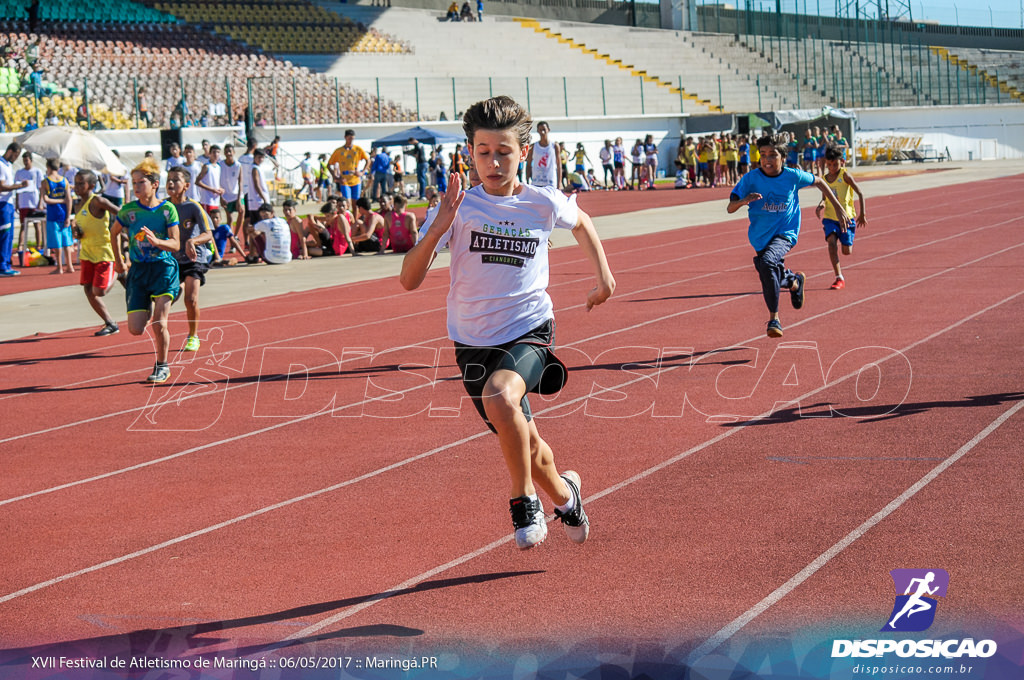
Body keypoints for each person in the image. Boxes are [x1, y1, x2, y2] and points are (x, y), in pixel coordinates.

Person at [399, 96, 615, 550]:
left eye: (504, 151)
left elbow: (582, 222)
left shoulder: (541, 202)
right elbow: (409, 280)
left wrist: (604, 279)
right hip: (471, 341)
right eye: (483, 152)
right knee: (530, 448)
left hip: (529, 330)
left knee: (500, 395)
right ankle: (567, 496)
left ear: (524, 152)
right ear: (469, 153)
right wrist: (437, 228)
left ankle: (524, 502)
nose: (493, 162)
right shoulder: (458, 208)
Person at [727, 134, 849, 339]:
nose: (767, 159)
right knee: (771, 272)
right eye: (763, 154)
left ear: (783, 157)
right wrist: (743, 201)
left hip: (786, 233)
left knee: (767, 263)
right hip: (759, 237)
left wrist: (837, 207)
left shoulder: (792, 176)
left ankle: (774, 319)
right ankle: (794, 282)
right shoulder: (750, 179)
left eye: (772, 155)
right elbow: (730, 208)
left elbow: (819, 181)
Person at [110, 159, 181, 384]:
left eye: (141, 182)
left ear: (154, 184)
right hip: (139, 272)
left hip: (163, 269)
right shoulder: (128, 210)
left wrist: (157, 242)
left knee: (159, 323)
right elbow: (113, 233)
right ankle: (153, 300)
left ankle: (162, 366)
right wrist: (118, 261)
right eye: (134, 183)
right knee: (135, 329)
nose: (137, 187)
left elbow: (176, 244)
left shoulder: (167, 209)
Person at [166, 166, 214, 352]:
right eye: (168, 179)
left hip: (195, 257)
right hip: (173, 258)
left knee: (191, 299)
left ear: (186, 185)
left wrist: (193, 241)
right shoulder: (164, 206)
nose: (170, 183)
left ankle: (193, 336)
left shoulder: (193, 206)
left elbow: (208, 234)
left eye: (175, 180)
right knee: (168, 296)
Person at [71, 170, 121, 335]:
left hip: (103, 252)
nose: (77, 186)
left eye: (81, 183)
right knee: (88, 290)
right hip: (87, 252)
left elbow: (121, 213)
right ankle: (110, 322)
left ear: (91, 185)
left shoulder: (98, 201)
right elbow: (81, 231)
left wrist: (121, 231)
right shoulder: (77, 204)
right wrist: (77, 232)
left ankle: (120, 273)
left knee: (99, 291)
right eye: (75, 183)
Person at [815, 146, 867, 291]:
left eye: (835, 164)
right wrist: (820, 205)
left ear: (842, 162)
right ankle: (839, 277)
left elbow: (860, 193)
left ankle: (847, 240)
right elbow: (825, 199)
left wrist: (862, 214)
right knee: (831, 243)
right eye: (829, 165)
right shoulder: (824, 179)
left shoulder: (845, 176)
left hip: (847, 218)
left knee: (846, 251)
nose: (832, 168)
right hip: (830, 218)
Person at [0, 142, 30, 276]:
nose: (16, 159)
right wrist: (19, 186)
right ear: (11, 151)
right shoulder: (1, 164)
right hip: (3, 204)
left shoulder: (8, 165)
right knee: (5, 235)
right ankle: (2, 266)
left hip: (9, 203)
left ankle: (6, 263)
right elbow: (1, 186)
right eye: (16, 155)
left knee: (10, 235)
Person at [40, 158, 74, 275]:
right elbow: (69, 199)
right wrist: (68, 216)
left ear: (48, 167)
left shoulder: (45, 181)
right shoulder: (65, 180)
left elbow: (46, 199)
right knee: (66, 241)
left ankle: (59, 267)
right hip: (64, 215)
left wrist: (59, 200)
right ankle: (69, 266)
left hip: (53, 216)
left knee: (57, 243)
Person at [15, 151, 44, 266]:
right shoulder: (19, 172)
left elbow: (41, 187)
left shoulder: (37, 171)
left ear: (31, 160)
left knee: (37, 224)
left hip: (34, 201)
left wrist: (40, 202)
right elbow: (17, 187)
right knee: (23, 226)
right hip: (23, 202)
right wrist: (17, 202)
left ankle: (38, 246)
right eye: (24, 161)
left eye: (27, 160)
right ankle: (20, 247)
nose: (25, 163)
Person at [328, 129, 369, 201]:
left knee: (356, 203)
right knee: (347, 202)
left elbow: (368, 160)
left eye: (352, 139)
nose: (351, 140)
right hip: (344, 179)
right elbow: (329, 165)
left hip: (355, 178)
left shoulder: (357, 149)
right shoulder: (339, 151)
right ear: (345, 137)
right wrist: (335, 177)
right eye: (349, 138)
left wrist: (362, 172)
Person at [525, 121, 559, 189]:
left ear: (548, 130)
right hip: (536, 182)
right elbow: (528, 164)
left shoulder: (554, 146)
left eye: (544, 129)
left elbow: (559, 165)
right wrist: (527, 179)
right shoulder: (533, 147)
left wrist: (559, 183)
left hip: (550, 182)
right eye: (540, 130)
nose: (542, 132)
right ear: (538, 131)